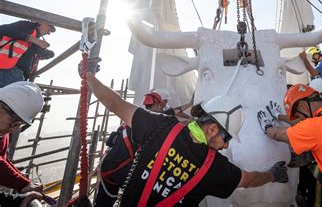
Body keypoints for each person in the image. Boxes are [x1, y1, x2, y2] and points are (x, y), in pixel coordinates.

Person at [86, 72, 288, 206]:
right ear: (211, 130)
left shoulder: (161, 125)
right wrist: (273, 174)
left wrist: (87, 76)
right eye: (226, 137)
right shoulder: (216, 168)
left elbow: (115, 103)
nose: (226, 144)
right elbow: (250, 180)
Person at [94, 91, 194, 206]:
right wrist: (190, 104)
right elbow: (171, 114)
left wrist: (188, 114)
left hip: (108, 168)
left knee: (102, 203)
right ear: (156, 104)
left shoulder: (136, 119)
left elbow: (171, 114)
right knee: (144, 195)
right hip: (120, 169)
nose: (162, 110)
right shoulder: (150, 121)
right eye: (161, 106)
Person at [0, 81, 45, 203]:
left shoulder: (2, 132)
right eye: (14, 121)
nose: (15, 129)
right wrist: (21, 185)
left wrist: (24, 182)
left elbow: (2, 160)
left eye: (20, 124)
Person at [0, 20, 55, 87]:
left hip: (13, 70)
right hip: (9, 70)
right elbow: (2, 29)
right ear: (41, 22)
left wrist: (47, 53)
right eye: (49, 29)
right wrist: (31, 38)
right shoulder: (27, 26)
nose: (49, 33)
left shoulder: (35, 37)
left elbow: (41, 51)